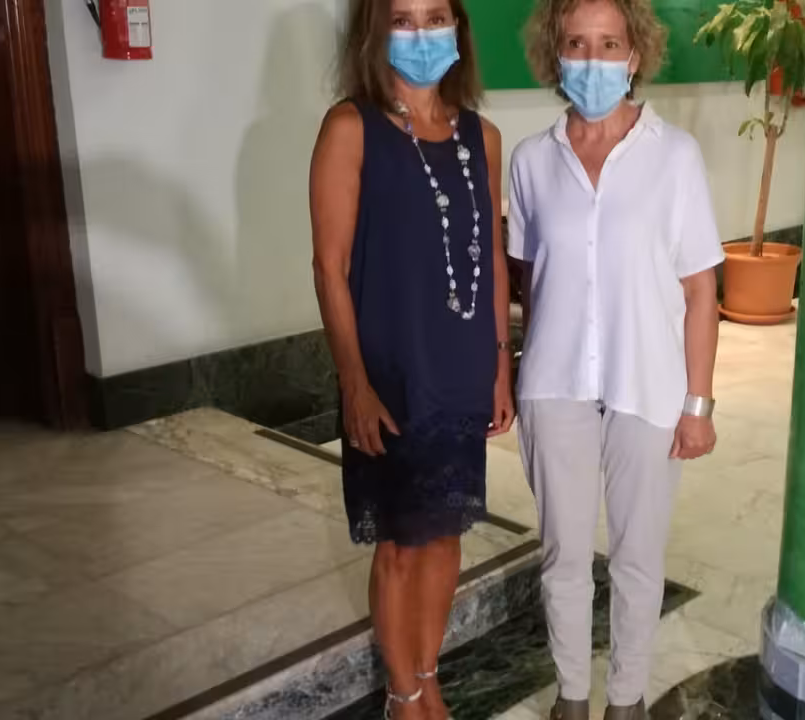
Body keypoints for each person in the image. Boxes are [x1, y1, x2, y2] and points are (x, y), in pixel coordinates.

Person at [509, 1, 724, 717]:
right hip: (554, 385)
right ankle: (572, 697)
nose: (592, 59)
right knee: (563, 557)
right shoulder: (531, 161)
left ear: (634, 55)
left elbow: (700, 290)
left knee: (637, 559)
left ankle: (626, 700)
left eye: (609, 44)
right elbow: (530, 282)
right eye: (577, 43)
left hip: (649, 386)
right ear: (555, 52)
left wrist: (698, 404)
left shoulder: (675, 156)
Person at [309, 0, 513, 717]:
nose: (422, 34)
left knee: (446, 533)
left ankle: (427, 676)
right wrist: (354, 383)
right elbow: (329, 268)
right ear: (375, 31)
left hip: (461, 366)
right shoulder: (349, 128)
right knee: (399, 543)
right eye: (403, 19)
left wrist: (500, 366)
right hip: (392, 373)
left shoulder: (482, 137)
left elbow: (492, 258)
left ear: (458, 28)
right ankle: (402, 696)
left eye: (435, 17)